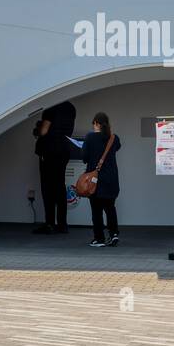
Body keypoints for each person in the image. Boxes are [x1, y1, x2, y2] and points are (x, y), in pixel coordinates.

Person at [33, 100, 76, 234]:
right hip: (64, 150)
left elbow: (44, 131)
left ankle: (50, 223)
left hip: (49, 151)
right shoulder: (71, 108)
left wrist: (37, 130)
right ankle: (62, 224)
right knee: (60, 186)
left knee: (47, 188)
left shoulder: (50, 108)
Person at [80, 111, 122, 247]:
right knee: (110, 208)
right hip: (111, 179)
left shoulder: (90, 137)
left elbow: (84, 157)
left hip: (95, 181)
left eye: (94, 123)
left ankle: (99, 238)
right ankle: (114, 234)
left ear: (96, 123)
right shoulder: (114, 138)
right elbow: (117, 147)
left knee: (96, 210)